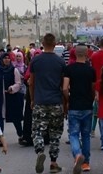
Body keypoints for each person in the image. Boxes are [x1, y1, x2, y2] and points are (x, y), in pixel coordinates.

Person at [29, 33, 66, 174]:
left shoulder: (35, 61)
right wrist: (65, 103)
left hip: (40, 101)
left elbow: (31, 82)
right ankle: (53, 163)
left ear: (43, 44)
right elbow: (64, 85)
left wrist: (32, 99)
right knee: (55, 134)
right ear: (55, 44)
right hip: (56, 102)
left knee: (37, 131)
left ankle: (39, 152)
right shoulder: (60, 62)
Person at [63, 44, 96, 174]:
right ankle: (86, 163)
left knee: (73, 134)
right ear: (87, 54)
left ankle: (77, 155)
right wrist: (91, 99)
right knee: (86, 135)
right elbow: (93, 88)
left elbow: (65, 88)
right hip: (87, 105)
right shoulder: (91, 70)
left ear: (75, 54)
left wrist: (68, 99)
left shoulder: (69, 69)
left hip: (74, 105)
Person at [0, 51, 24, 139]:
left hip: (11, 97)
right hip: (0, 97)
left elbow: (18, 83)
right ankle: (0, 138)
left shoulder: (14, 70)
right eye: (5, 58)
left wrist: (12, 88)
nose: (7, 60)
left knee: (15, 117)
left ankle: (21, 134)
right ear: (1, 60)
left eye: (8, 58)